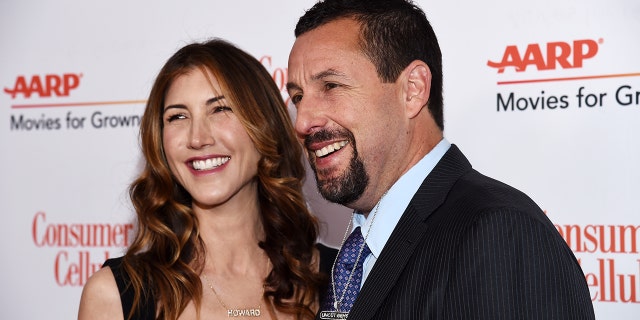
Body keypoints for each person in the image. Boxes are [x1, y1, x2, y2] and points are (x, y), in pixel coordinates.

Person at [286, 0, 595, 319]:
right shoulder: (358, 244)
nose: (302, 121)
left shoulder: (498, 234)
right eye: (298, 97)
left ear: (413, 90)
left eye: (331, 85)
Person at [78, 38, 334, 320]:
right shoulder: (115, 296)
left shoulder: (341, 280)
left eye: (220, 109)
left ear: (265, 126)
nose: (197, 138)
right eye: (177, 116)